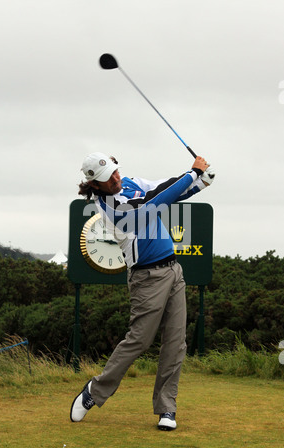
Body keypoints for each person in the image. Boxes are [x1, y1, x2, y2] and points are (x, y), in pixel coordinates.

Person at [70, 151, 214, 430]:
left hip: (174, 270)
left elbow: (166, 190)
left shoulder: (130, 182)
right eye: (106, 179)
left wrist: (200, 182)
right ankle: (94, 392)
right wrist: (192, 173)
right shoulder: (111, 208)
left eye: (114, 172)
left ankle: (166, 409)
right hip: (146, 278)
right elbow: (152, 204)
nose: (114, 179)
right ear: (94, 185)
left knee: (176, 343)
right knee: (139, 340)